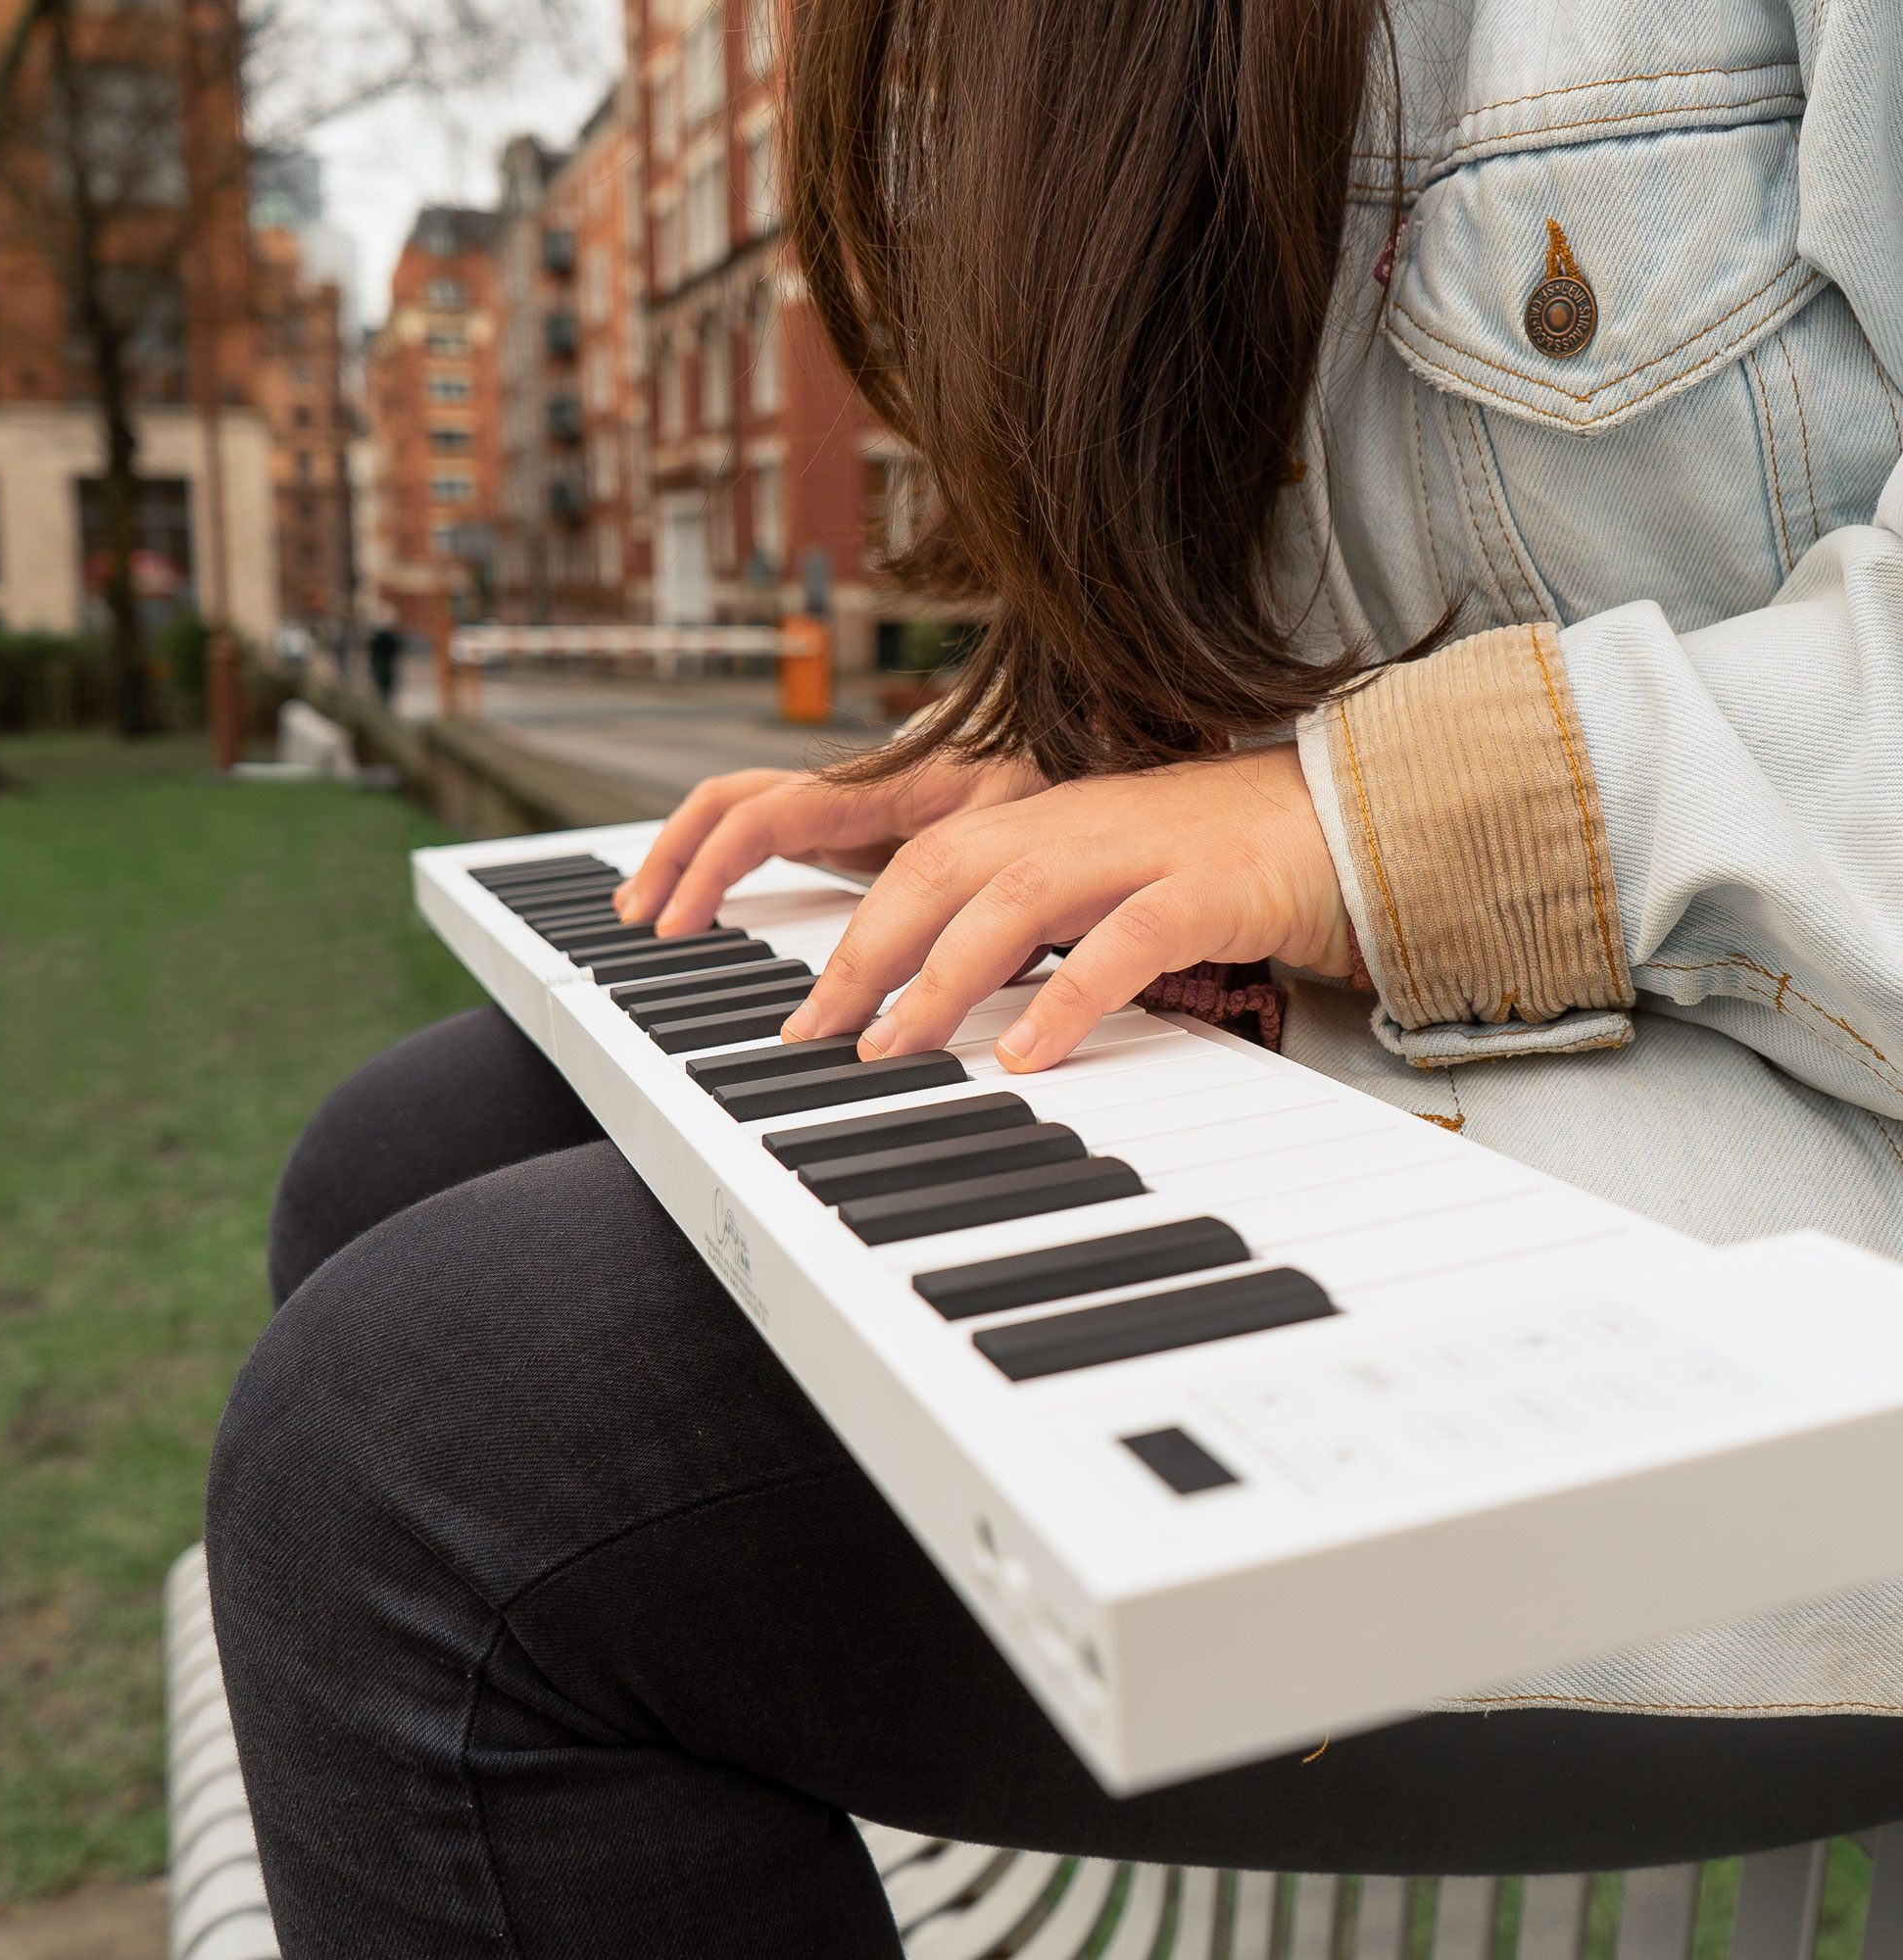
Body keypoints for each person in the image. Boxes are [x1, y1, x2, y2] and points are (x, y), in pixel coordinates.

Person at [206, 0, 1903, 1950]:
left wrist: (1351, 824)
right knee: (396, 1155)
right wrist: (1098, 767)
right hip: (1575, 1040)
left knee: (416, 1469)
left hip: (1832, 1184)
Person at [366, 618, 403, 708]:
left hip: (383, 668)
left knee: (383, 691)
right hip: (385, 668)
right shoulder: (390, 638)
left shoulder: (380, 638)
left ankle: (383, 706)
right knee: (384, 691)